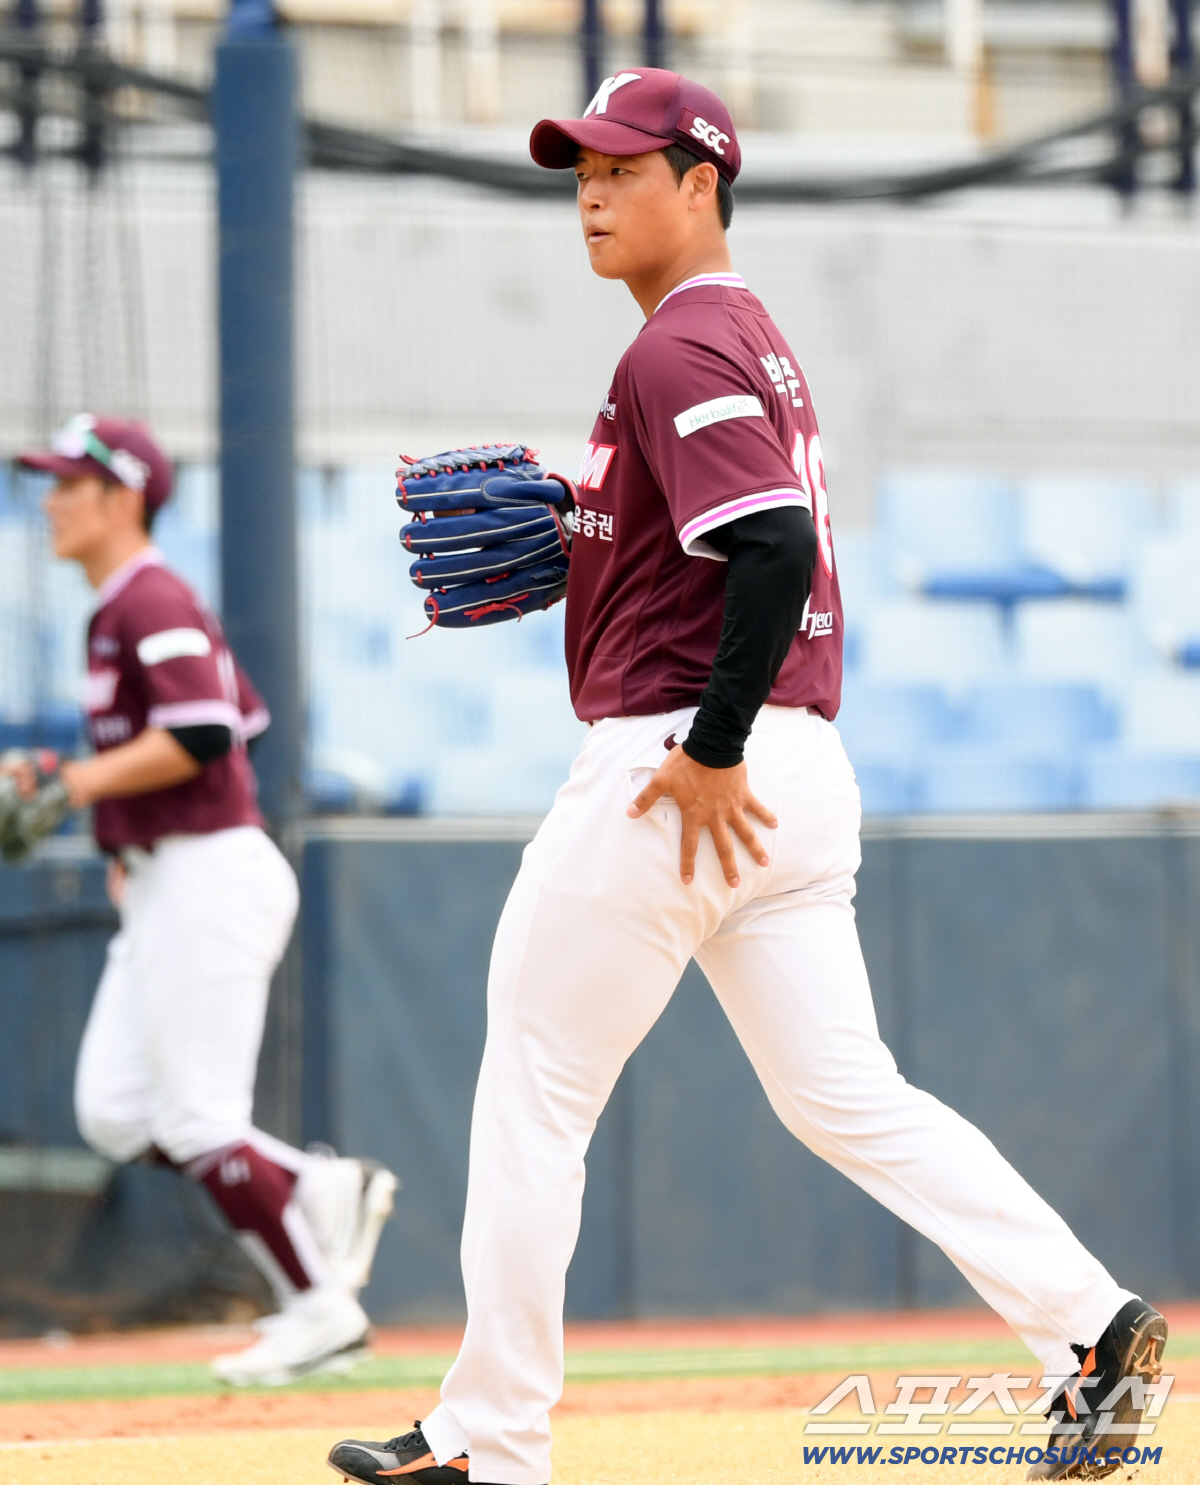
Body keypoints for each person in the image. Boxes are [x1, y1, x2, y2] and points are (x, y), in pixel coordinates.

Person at [328, 71, 1164, 1485]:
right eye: (580, 172)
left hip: (685, 769)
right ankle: (1090, 1326)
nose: (591, 194)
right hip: (797, 772)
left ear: (700, 181)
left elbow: (772, 545)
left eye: (621, 168)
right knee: (845, 1093)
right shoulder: (746, 335)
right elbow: (739, 541)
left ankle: (489, 1439)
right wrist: (602, 536)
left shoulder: (677, 346)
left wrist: (710, 745)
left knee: (535, 1088)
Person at [12, 414, 398, 1386]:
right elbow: (241, 718)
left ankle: (320, 1309)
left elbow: (206, 729)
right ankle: (317, 1186)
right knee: (114, 1113)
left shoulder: (149, 596)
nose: (51, 500)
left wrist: (80, 783)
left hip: (208, 873)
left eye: (69, 483)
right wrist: (120, 823)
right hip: (168, 871)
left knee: (196, 1118)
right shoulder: (124, 605)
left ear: (122, 497)